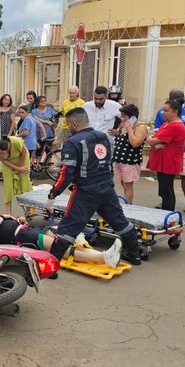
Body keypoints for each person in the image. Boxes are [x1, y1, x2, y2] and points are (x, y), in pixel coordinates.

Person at [45, 107, 142, 265]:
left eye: (69, 125)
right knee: (120, 222)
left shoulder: (72, 142)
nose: (68, 128)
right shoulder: (106, 137)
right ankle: (134, 255)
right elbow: (109, 163)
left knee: (68, 229)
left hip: (85, 193)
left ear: (74, 124)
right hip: (106, 190)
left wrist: (53, 193)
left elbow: (66, 174)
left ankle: (52, 265)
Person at [0, 205, 122, 269]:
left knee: (63, 239)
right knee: (60, 248)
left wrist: (18, 219)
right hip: (23, 237)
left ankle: (102, 254)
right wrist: (3, 216)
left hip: (27, 229)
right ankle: (104, 258)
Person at [153, 89, 185, 216]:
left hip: (184, 148)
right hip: (165, 150)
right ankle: (165, 203)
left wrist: (180, 139)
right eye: (175, 97)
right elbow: (156, 133)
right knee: (165, 182)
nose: (179, 99)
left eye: (181, 97)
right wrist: (165, 141)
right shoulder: (161, 112)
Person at [146, 100, 185, 212]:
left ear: (175, 112)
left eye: (166, 110)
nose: (162, 113)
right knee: (164, 189)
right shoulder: (166, 124)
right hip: (163, 161)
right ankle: (165, 212)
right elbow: (154, 137)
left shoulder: (175, 126)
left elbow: (152, 140)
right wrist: (153, 140)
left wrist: (152, 140)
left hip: (169, 162)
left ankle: (167, 214)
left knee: (166, 190)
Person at [112, 104, 147, 204]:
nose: (122, 119)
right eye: (122, 116)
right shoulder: (124, 125)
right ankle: (127, 203)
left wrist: (130, 130)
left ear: (133, 118)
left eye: (125, 117)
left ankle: (129, 206)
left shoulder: (140, 127)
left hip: (130, 161)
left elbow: (135, 143)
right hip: (119, 159)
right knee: (123, 182)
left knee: (128, 185)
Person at [0, 135, 32, 215]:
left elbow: (24, 153)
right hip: (7, 163)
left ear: (8, 147)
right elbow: (4, 161)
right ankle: (9, 213)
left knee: (25, 182)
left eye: (2, 153)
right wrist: (17, 169)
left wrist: (20, 167)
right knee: (8, 185)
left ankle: (28, 211)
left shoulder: (16, 142)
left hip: (22, 158)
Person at [32, 95, 57, 167]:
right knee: (39, 148)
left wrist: (54, 123)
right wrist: (46, 122)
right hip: (39, 132)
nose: (43, 102)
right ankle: (37, 164)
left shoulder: (50, 110)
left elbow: (55, 117)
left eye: (44, 101)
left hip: (49, 131)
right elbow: (36, 119)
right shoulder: (35, 111)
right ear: (38, 103)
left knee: (49, 149)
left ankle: (48, 165)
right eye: (41, 101)